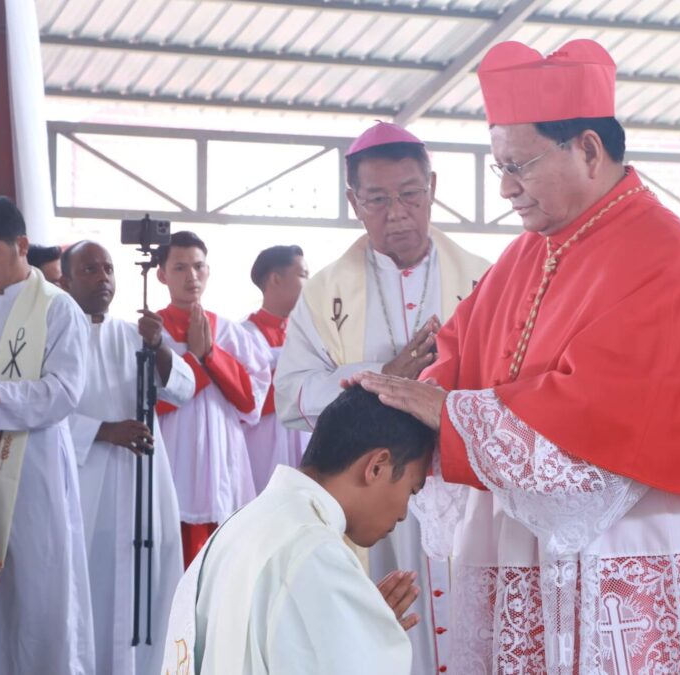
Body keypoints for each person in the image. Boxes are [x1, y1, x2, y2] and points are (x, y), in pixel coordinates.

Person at [355, 39, 680, 674]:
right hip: (529, 542)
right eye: (500, 168)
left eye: (518, 166)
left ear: (587, 148)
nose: (505, 189)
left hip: (632, 546)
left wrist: (455, 413)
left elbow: (605, 408)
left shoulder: (666, 254)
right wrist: (416, 398)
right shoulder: (529, 250)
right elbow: (460, 347)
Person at [274, 121, 491, 673]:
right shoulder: (325, 292)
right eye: (377, 199)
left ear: (433, 187)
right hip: (373, 493)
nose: (397, 212)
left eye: (410, 194)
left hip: (462, 490)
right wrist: (379, 376)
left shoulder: (485, 281)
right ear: (353, 201)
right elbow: (289, 396)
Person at [160, 385, 432, 675]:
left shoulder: (240, 524)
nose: (404, 513)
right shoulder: (314, 552)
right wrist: (369, 649)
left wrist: (359, 631)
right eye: (412, 490)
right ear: (377, 467)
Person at [0, 196, 94, 674]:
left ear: (20, 245)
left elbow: (63, 392)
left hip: (35, 473)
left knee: (37, 590)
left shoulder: (57, 307)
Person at [61, 241, 195, 675]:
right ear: (64, 281)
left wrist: (157, 345)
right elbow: (42, 413)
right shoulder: (56, 336)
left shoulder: (132, 335)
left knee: (147, 586)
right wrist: (102, 431)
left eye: (108, 269)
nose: (103, 278)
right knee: (89, 584)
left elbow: (184, 387)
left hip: (143, 486)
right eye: (90, 269)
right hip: (85, 483)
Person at [154, 230, 270, 566]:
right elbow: (150, 401)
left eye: (198, 267)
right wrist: (195, 358)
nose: (191, 276)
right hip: (174, 460)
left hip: (223, 462)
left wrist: (211, 355)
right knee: (175, 562)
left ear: (208, 271)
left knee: (223, 563)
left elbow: (251, 403)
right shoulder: (151, 332)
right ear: (161, 274)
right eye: (179, 268)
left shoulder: (233, 333)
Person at [242, 245, 312, 493]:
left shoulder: (310, 335)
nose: (310, 283)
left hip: (305, 443)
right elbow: (247, 397)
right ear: (275, 278)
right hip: (261, 446)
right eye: (303, 274)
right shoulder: (244, 336)